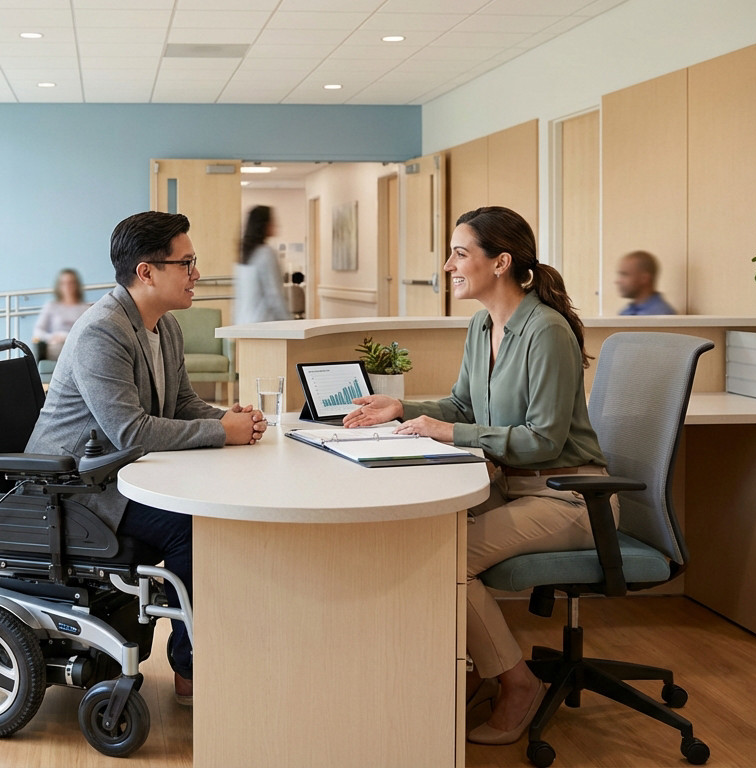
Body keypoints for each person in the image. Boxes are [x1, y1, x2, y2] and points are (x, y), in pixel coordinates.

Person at [342, 206, 613, 746]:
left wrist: (448, 434)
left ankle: (517, 683)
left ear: (501, 262)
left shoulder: (547, 331)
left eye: (460, 253)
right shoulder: (483, 324)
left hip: (569, 494)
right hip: (511, 486)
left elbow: (543, 440)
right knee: (420, 539)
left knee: (450, 558)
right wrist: (403, 408)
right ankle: (468, 668)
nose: (448, 266)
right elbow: (465, 404)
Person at [25, 210, 268, 705]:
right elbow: (129, 429)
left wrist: (229, 417)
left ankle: (209, 649)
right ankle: (191, 671)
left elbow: (181, 406)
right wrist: (221, 433)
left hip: (120, 475)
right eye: (187, 263)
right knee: (194, 528)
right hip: (75, 490)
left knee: (210, 511)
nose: (196, 273)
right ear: (147, 271)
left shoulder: (164, 327)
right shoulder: (102, 331)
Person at [234, 205, 292, 324]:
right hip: (262, 323)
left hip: (243, 322)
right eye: (272, 221)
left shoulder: (244, 254)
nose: (276, 225)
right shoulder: (266, 254)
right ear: (264, 225)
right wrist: (289, 322)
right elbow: (275, 295)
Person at [32, 268, 91, 360]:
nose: (68, 287)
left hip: (77, 346)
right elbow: (38, 331)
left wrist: (66, 337)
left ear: (76, 285)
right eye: (64, 283)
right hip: (55, 347)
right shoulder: (51, 306)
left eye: (71, 283)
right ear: (59, 286)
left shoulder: (85, 309)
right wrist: (52, 337)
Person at [615, 250, 677, 315]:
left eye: (624, 274)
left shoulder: (661, 315)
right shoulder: (626, 312)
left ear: (644, 278)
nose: (617, 281)